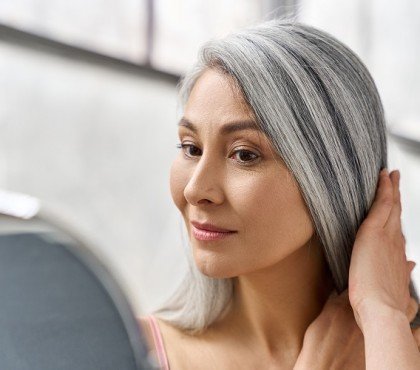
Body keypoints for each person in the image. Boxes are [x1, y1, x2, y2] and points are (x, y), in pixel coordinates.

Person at [138, 19, 420, 369]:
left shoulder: (398, 346)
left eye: (244, 154)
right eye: (191, 148)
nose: (196, 189)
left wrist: (383, 317)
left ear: (331, 176)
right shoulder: (130, 352)